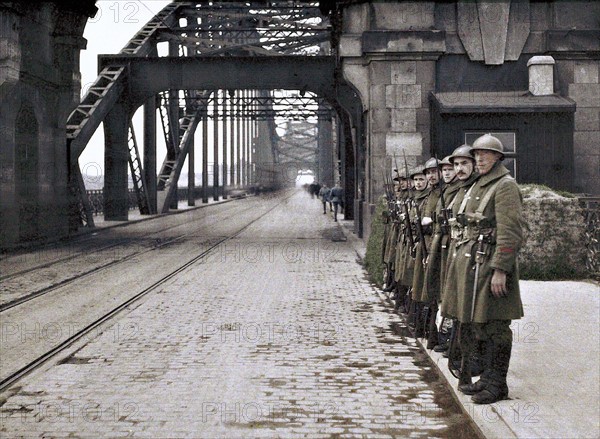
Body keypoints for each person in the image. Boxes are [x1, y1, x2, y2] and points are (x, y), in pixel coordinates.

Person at [444, 134, 524, 405]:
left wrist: (501, 269)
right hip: (473, 265)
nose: (479, 159)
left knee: (497, 326)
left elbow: (511, 231)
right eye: (476, 154)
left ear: (498, 158)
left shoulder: (504, 186)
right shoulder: (477, 184)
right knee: (479, 324)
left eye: (486, 155)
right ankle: (486, 379)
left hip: (491, 266)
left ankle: (497, 384)